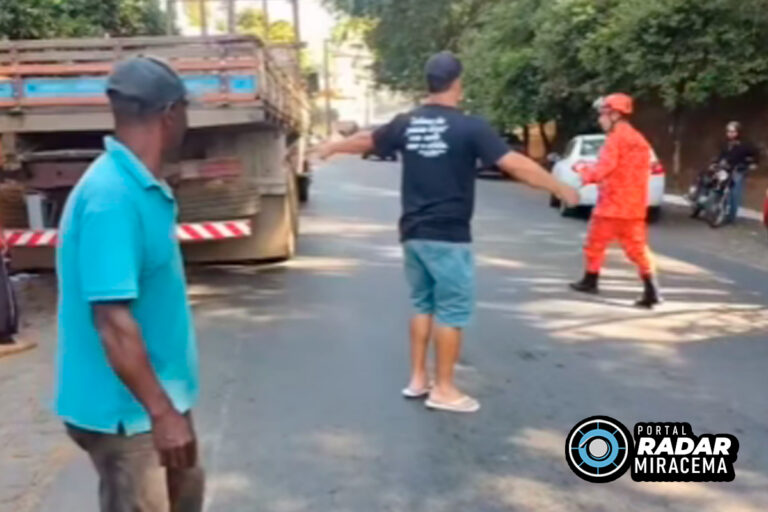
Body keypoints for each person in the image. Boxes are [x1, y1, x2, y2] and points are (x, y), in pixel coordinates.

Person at [317, 51, 579, 413]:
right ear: (457, 83)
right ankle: (443, 389)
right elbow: (514, 163)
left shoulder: (407, 122)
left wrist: (333, 146)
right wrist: (559, 187)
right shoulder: (470, 127)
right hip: (448, 235)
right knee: (452, 311)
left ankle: (417, 379)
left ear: (428, 84)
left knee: (422, 304)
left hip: (413, 233)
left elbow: (368, 140)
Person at [55, 57, 204, 511]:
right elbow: (112, 322)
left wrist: (169, 408)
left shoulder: (140, 184)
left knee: (186, 497)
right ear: (171, 114)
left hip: (156, 401)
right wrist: (162, 413)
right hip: (129, 415)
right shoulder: (112, 197)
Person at [570, 93, 662, 308]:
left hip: (611, 205)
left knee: (595, 243)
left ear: (615, 114)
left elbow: (604, 168)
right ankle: (652, 291)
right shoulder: (639, 139)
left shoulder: (615, 139)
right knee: (638, 249)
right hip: (634, 206)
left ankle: (590, 280)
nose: (599, 119)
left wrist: (583, 171)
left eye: (602, 114)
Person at [717, 121, 759, 223]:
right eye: (729, 131)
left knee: (734, 192)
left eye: (733, 132)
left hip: (738, 170)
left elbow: (755, 155)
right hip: (726, 169)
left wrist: (753, 164)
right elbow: (721, 156)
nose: (730, 134)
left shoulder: (745, 145)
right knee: (720, 187)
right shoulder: (726, 144)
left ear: (738, 132)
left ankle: (731, 216)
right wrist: (717, 162)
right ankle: (719, 210)